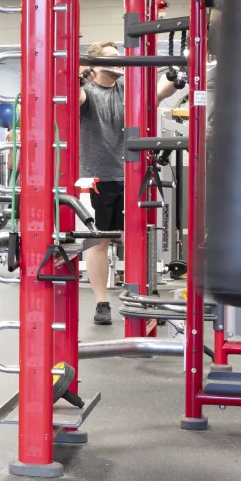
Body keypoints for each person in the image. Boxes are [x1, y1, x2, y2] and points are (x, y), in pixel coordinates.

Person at [77, 41, 180, 325]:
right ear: (96, 64)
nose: (118, 62)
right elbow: (73, 100)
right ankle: (101, 303)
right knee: (99, 242)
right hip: (101, 177)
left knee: (138, 238)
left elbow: (157, 95)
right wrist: (78, 79)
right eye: (111, 58)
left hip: (134, 174)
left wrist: (172, 77)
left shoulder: (128, 87)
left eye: (119, 57)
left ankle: (142, 297)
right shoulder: (88, 92)